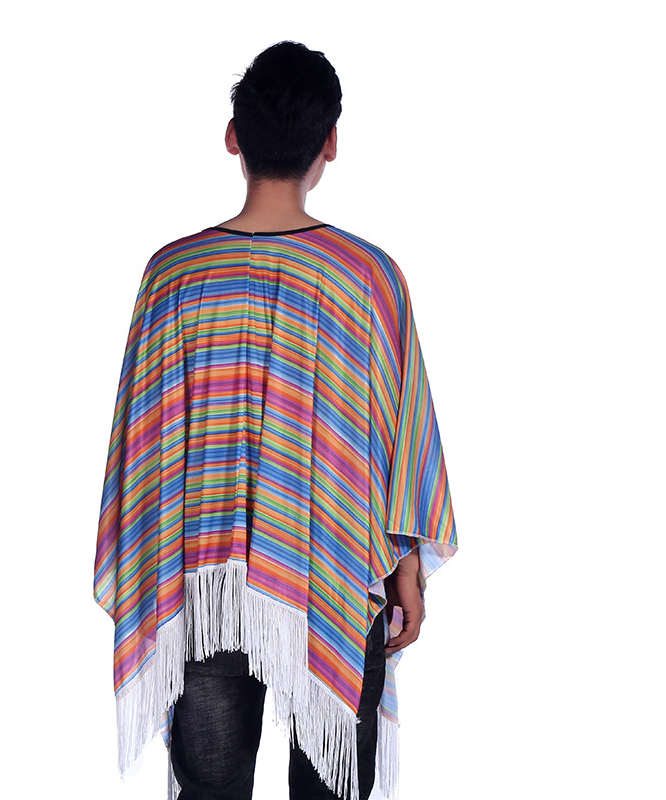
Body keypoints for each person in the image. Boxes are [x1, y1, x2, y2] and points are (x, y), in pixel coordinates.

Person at [93, 40, 458, 800]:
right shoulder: (367, 278)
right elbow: (398, 441)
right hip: (331, 569)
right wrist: (406, 570)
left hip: (202, 580)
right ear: (331, 142)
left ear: (234, 137)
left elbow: (141, 449)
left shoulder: (173, 275)